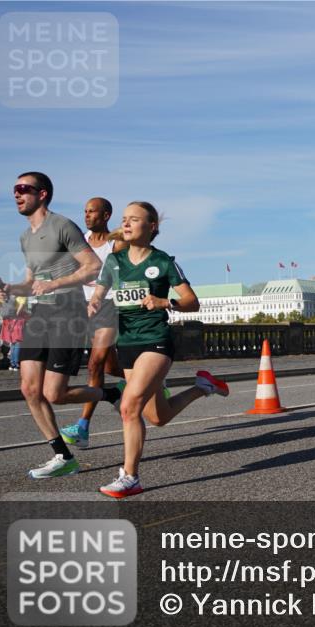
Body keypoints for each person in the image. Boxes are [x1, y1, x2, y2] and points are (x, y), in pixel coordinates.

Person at [89, 201, 230, 498]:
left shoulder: (164, 262)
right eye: (124, 219)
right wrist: (94, 304)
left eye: (134, 219)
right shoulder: (114, 262)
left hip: (156, 341)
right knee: (158, 417)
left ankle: (130, 476)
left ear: (151, 227)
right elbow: (99, 295)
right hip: (126, 342)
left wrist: (165, 302)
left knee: (129, 407)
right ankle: (203, 387)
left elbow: (193, 302)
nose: (126, 224)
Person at [0, 172, 106, 479]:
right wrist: (10, 289)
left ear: (42, 194)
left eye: (23, 189)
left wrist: (56, 283)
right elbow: (32, 282)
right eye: (14, 189)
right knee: (30, 389)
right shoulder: (25, 236)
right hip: (39, 314)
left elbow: (93, 266)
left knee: (54, 393)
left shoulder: (62, 225)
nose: (16, 194)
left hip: (68, 312)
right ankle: (63, 456)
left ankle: (112, 395)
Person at [59, 197, 127, 448]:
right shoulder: (81, 242)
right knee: (109, 368)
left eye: (92, 212)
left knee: (94, 364)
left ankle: (82, 427)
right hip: (83, 307)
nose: (87, 216)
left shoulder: (115, 244)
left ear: (106, 215)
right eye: (85, 212)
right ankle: (151, 380)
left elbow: (126, 273)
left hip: (108, 305)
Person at [0, 296, 29, 371]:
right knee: (17, 343)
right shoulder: (22, 297)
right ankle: (16, 364)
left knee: (12, 343)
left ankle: (12, 364)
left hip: (9, 321)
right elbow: (20, 310)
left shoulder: (9, 297)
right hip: (18, 320)